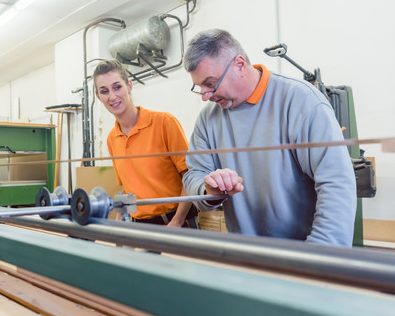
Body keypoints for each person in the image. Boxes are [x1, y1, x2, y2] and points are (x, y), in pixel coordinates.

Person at [182, 29, 356, 246]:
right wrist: (208, 190)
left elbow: (337, 182)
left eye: (210, 83)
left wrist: (320, 253)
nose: (206, 96)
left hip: (304, 254)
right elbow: (194, 174)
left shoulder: (301, 101)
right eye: (200, 88)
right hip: (246, 255)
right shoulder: (208, 118)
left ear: (239, 65)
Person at [93, 59, 198, 228]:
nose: (112, 96)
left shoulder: (164, 122)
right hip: (140, 227)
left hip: (177, 223)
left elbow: (190, 176)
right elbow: (128, 189)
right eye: (104, 91)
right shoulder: (112, 138)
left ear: (129, 86)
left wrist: (177, 221)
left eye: (117, 87)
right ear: (98, 97)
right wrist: (120, 220)